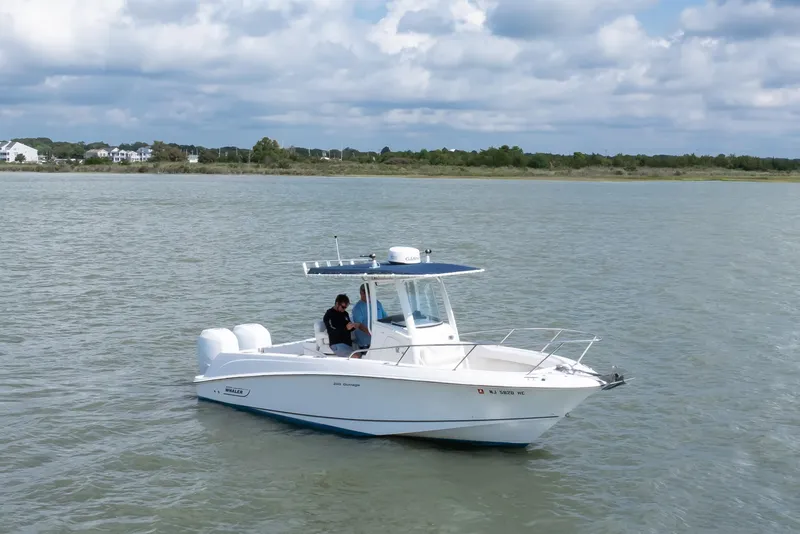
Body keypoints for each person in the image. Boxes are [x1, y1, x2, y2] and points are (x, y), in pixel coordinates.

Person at [351, 283, 386, 349]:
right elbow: (359, 325)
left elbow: (385, 318)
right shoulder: (357, 308)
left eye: (371, 292)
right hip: (366, 344)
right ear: (361, 293)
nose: (370, 294)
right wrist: (372, 334)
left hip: (380, 340)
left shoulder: (377, 303)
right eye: (367, 292)